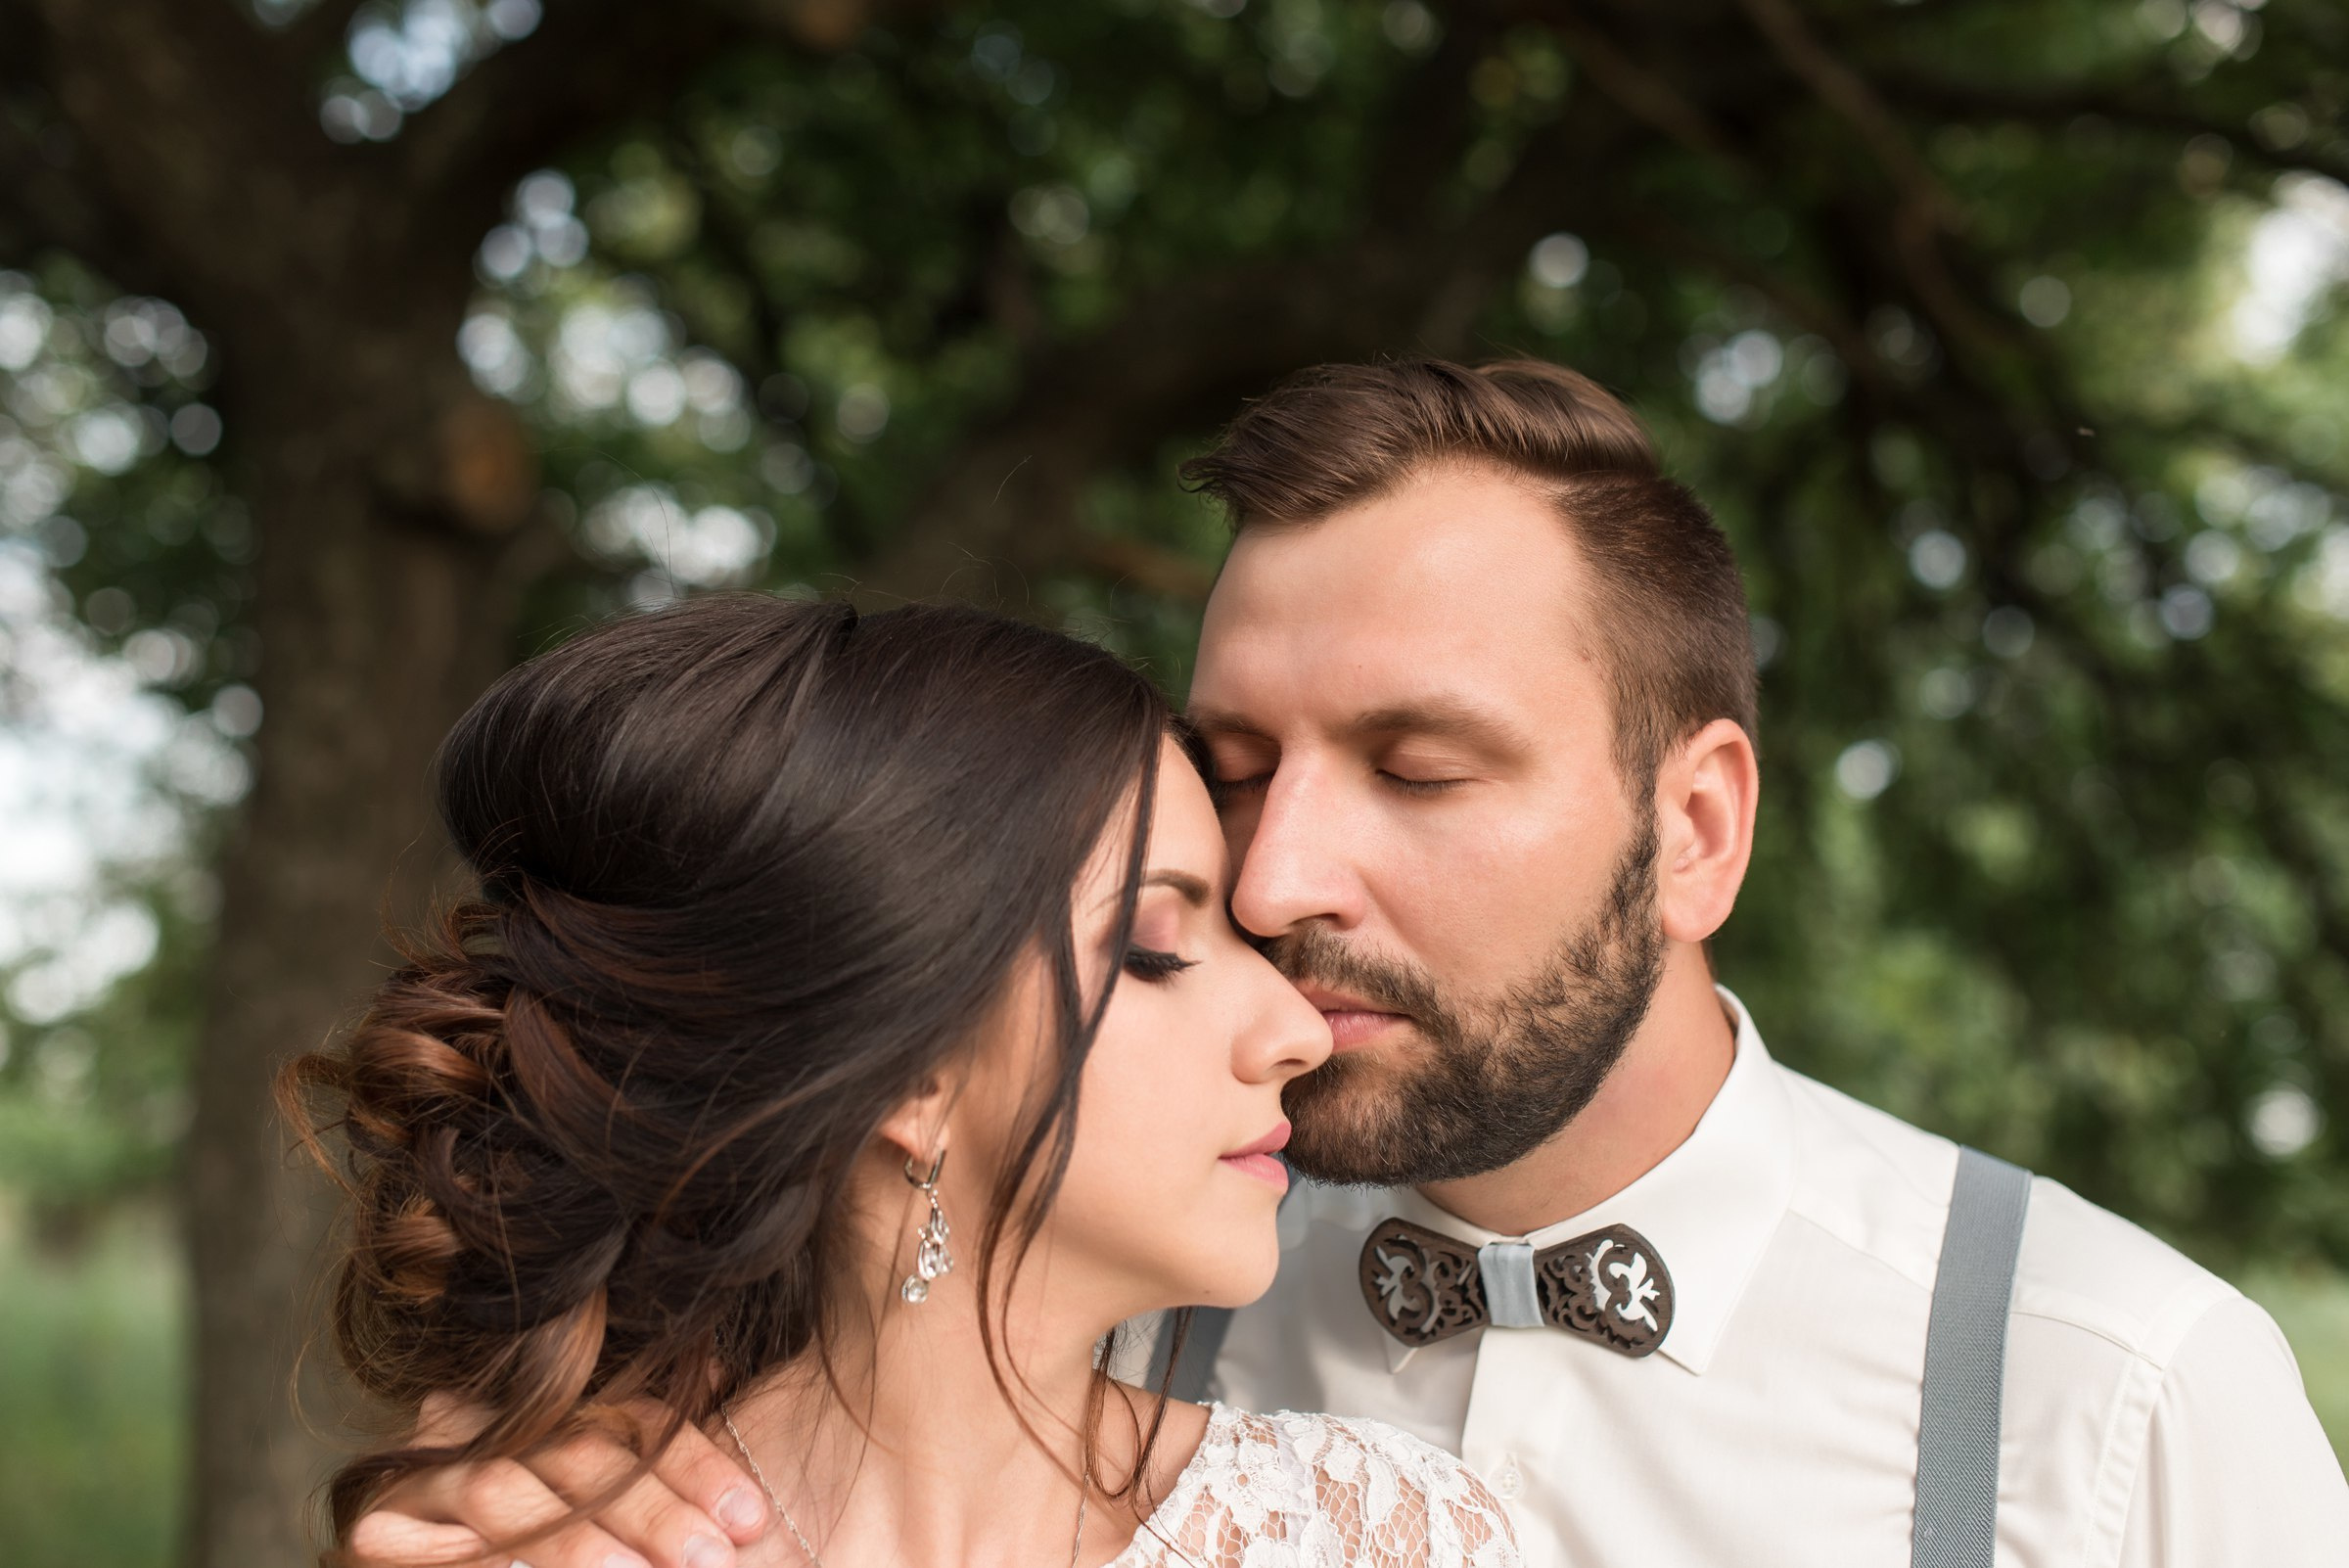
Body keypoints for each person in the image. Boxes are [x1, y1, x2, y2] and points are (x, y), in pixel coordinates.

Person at [348, 360, 2349, 1567]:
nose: (1285, 875)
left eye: (1420, 765)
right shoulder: (1076, 1274)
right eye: (1235, 781)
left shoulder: (2123, 1398)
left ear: (1698, 830)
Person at [285, 595, 1522, 1568]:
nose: (1295, 1025)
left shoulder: (1392, 1537)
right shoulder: (533, 1545)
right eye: (1151, 952)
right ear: (906, 1080)